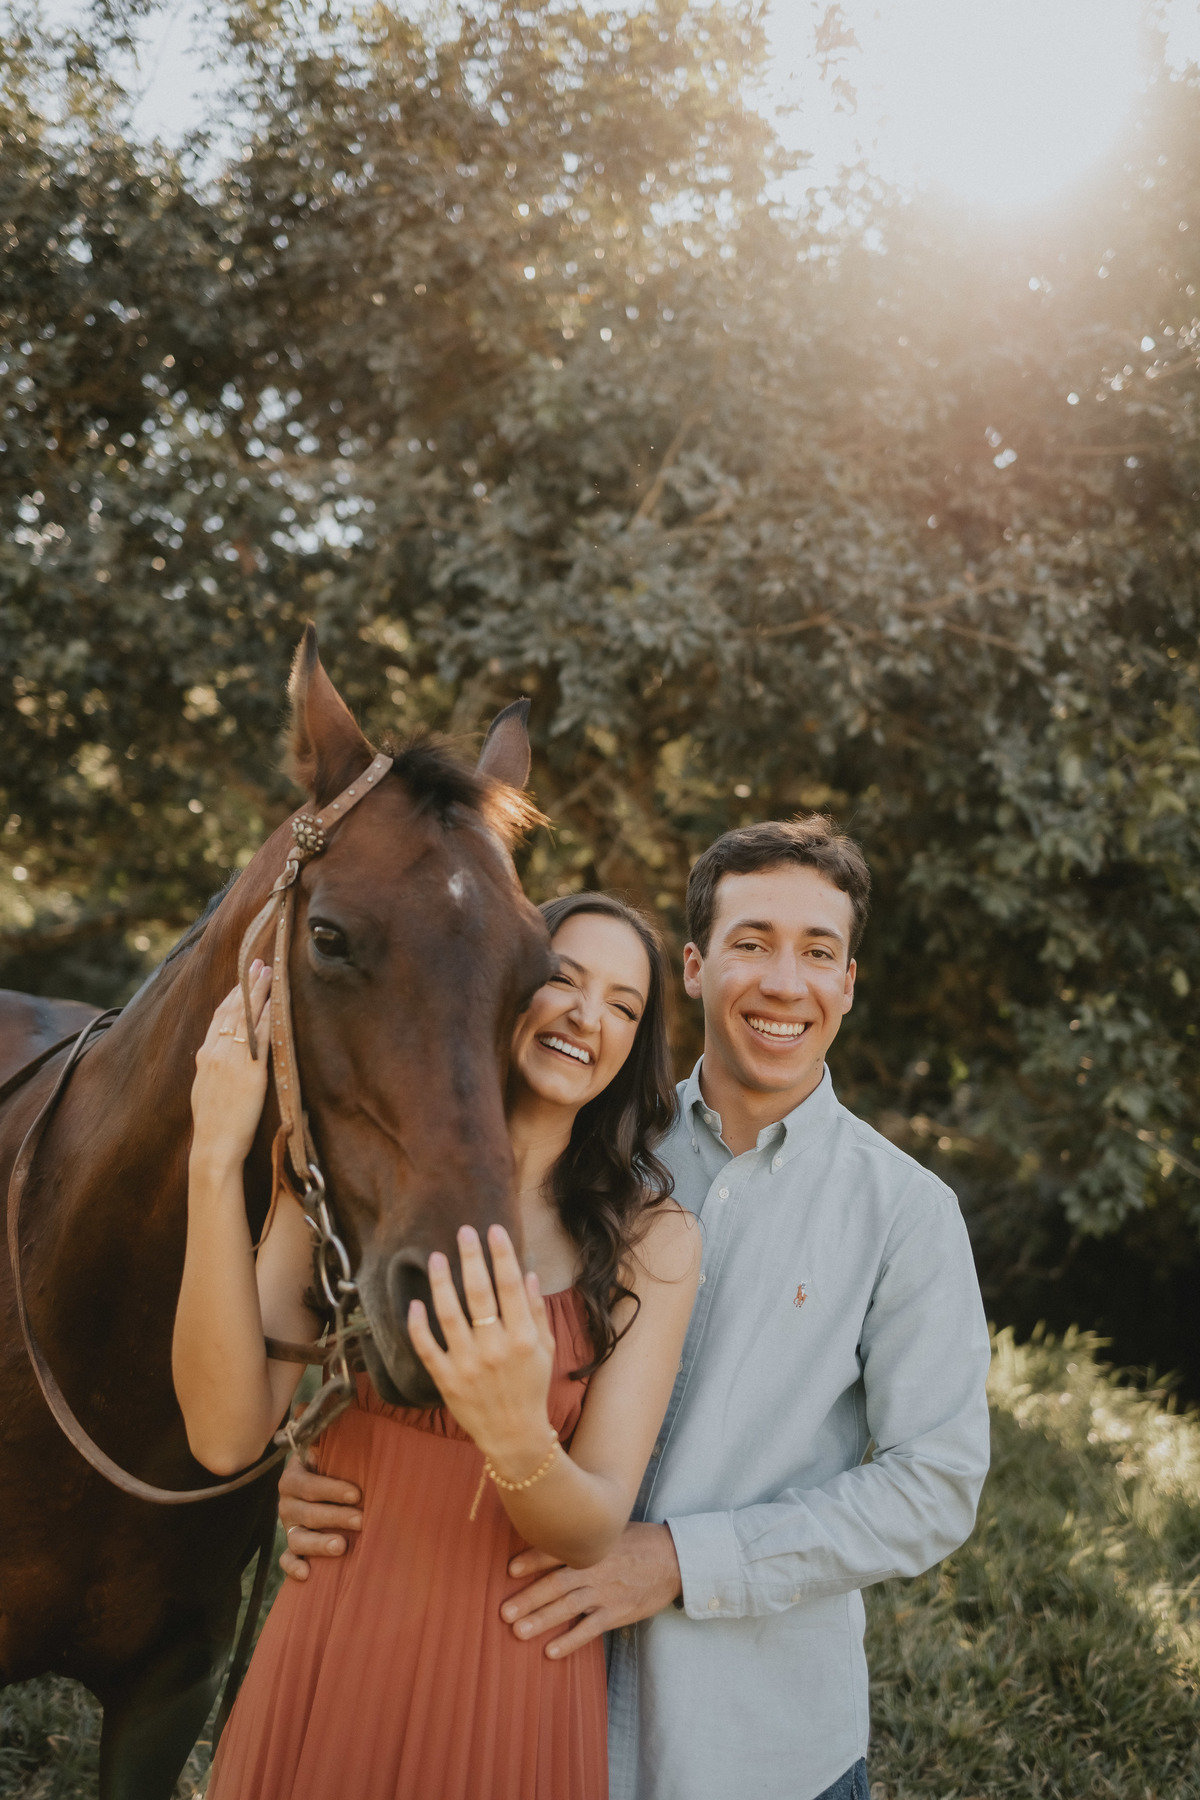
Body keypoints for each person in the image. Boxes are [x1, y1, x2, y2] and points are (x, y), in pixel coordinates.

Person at [281, 816, 993, 1800]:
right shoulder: (581, 1146)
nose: (784, 983)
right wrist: (323, 1459)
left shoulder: (905, 1212)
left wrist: (681, 1561)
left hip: (755, 1751)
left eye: (818, 953)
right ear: (694, 968)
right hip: (517, 1705)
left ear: (848, 983)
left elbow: (935, 1485)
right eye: (752, 943)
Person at [173, 892, 701, 1800]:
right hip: (331, 1638)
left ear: (634, 1045)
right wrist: (215, 1158)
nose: (588, 1015)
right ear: (499, 986)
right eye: (563, 978)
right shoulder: (351, 1168)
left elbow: (593, 1528)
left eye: (623, 1006)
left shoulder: (655, 1242)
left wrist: (515, 1433)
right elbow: (224, 1436)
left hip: (508, 1676)